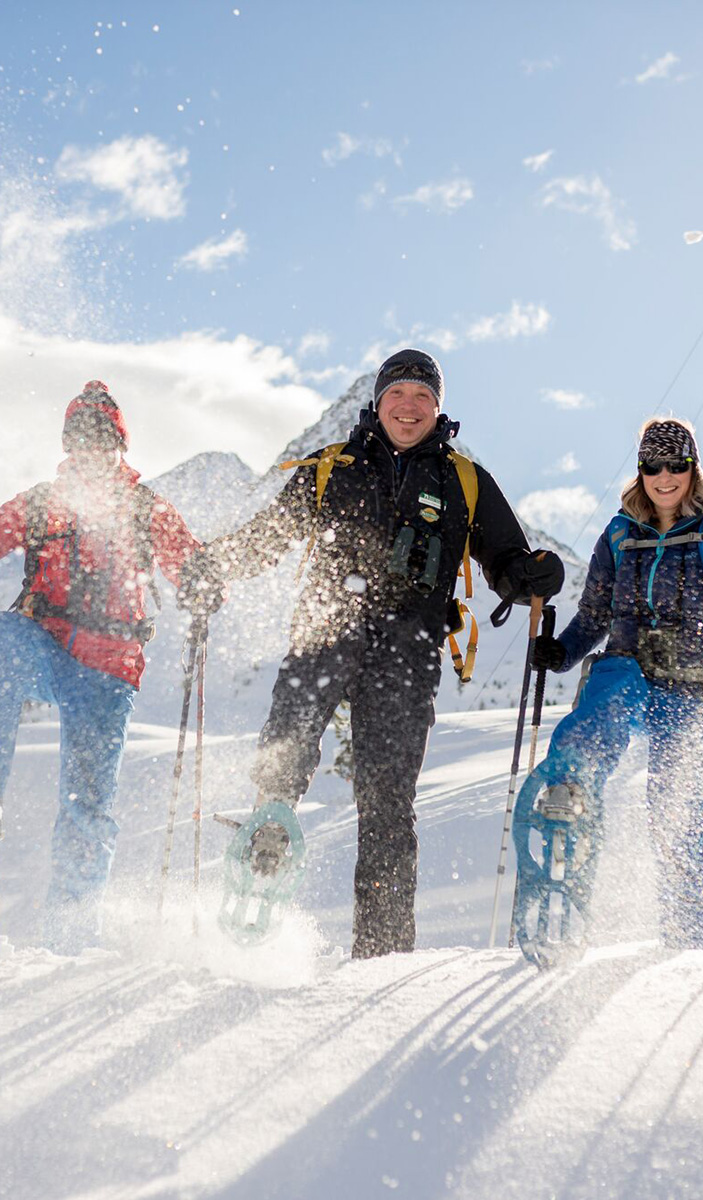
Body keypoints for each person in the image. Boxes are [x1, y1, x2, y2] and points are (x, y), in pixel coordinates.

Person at [179, 348, 564, 958]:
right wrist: (215, 566)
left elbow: (506, 561)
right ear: (378, 402)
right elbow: (270, 535)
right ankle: (263, 852)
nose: (409, 408)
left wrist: (532, 575)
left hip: (407, 649)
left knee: (387, 803)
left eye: (423, 398)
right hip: (326, 628)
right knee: (286, 753)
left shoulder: (464, 481)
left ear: (438, 409)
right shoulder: (332, 468)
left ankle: (380, 956)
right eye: (399, 394)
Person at [528, 416, 703, 948]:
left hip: (697, 686)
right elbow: (594, 615)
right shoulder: (619, 534)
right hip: (630, 669)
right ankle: (571, 786)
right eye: (652, 466)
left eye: (676, 466)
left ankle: (690, 939)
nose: (664, 477)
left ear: (693, 469)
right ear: (640, 471)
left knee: (676, 811)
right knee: (608, 691)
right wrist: (563, 652)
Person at [0, 381, 203, 951]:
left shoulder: (144, 506)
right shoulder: (42, 501)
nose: (91, 448)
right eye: (80, 436)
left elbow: (188, 561)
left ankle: (70, 936)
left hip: (110, 670)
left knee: (87, 805)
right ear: (68, 444)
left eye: (102, 436)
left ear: (120, 444)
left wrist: (204, 581)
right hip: (43, 644)